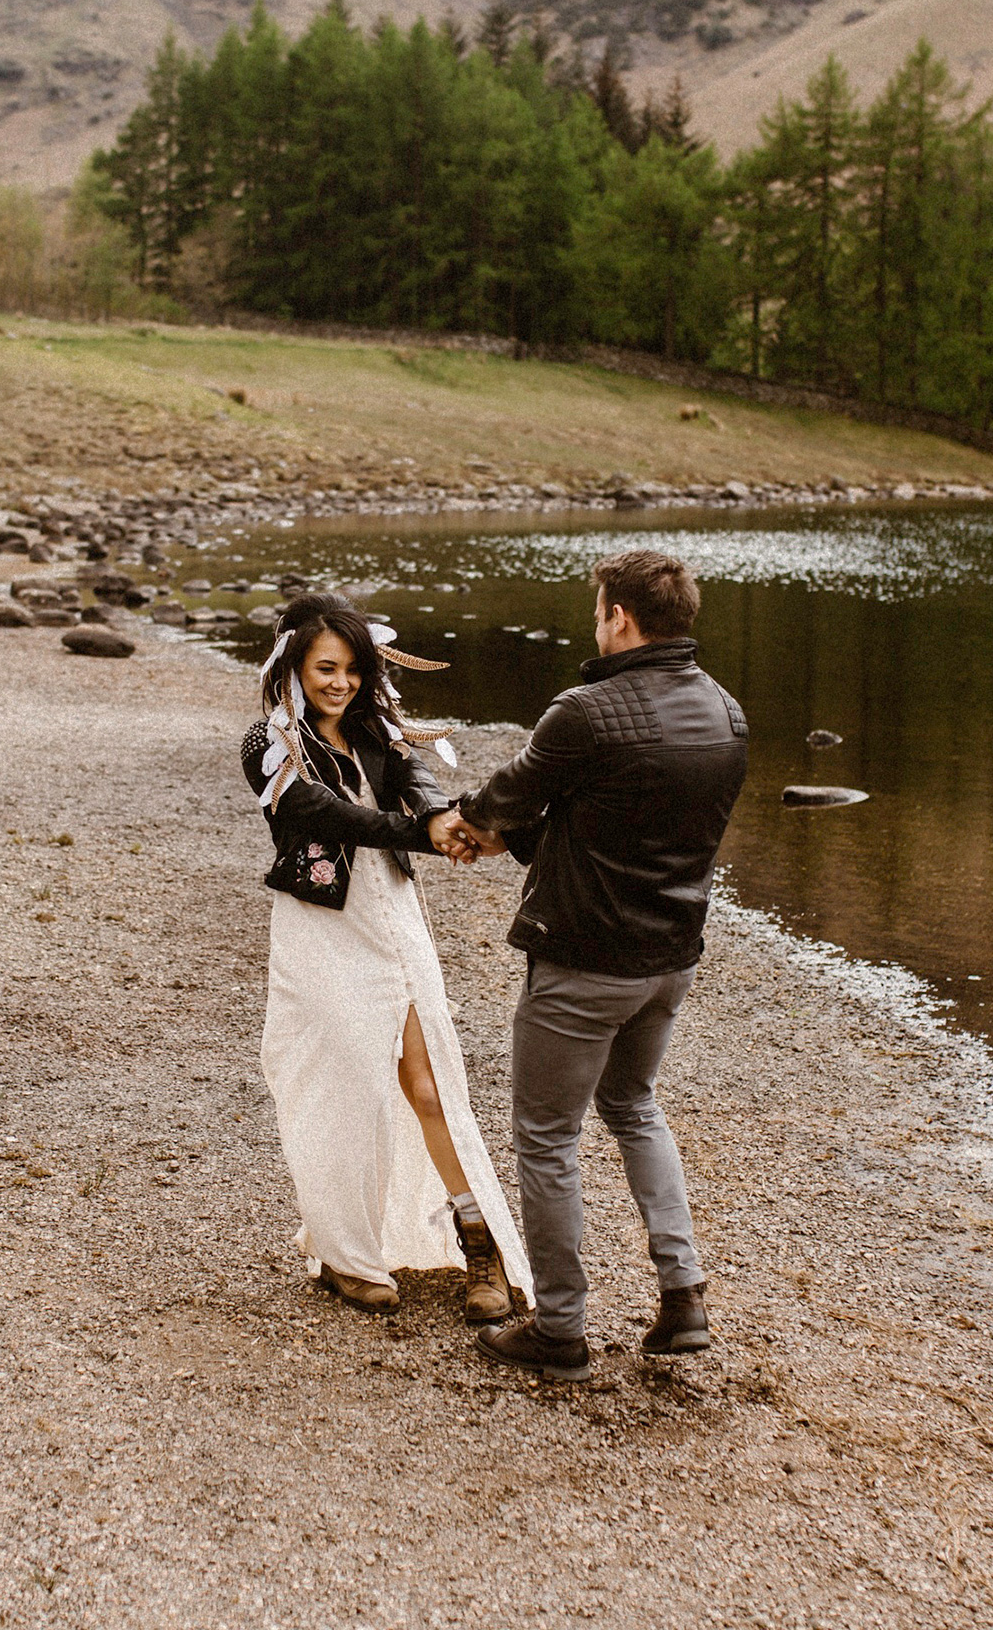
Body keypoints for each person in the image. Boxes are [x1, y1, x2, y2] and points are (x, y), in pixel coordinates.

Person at [445, 550, 748, 1380]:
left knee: (547, 1138)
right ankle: (684, 1297)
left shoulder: (585, 710)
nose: (595, 624)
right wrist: (518, 833)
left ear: (619, 615)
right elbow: (610, 833)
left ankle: (561, 1329)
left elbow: (508, 796)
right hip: (669, 960)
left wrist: (470, 821)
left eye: (597, 611)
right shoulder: (726, 713)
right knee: (635, 1106)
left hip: (585, 963)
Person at [240, 591, 533, 1325]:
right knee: (344, 1088)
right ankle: (346, 1255)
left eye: (352, 670)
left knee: (428, 1086)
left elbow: (417, 783)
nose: (339, 682)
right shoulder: (265, 744)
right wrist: (421, 835)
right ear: (294, 669)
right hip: (321, 931)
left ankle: (481, 1248)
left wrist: (440, 816)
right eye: (325, 668)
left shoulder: (381, 729)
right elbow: (320, 813)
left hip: (394, 923)